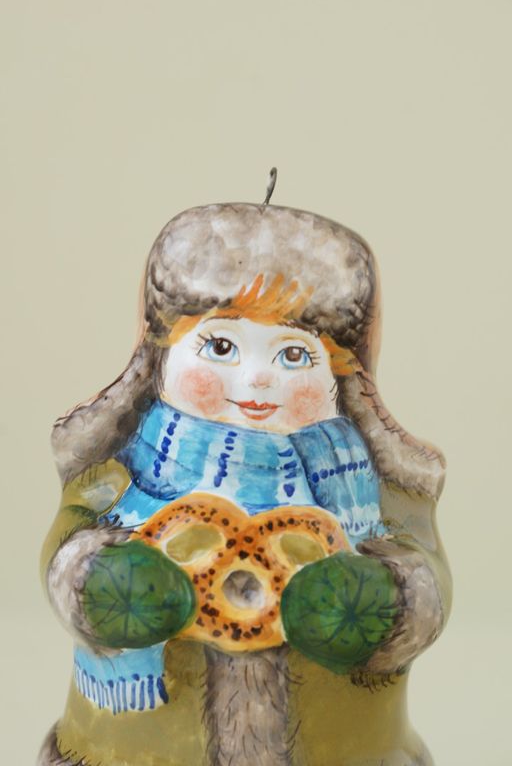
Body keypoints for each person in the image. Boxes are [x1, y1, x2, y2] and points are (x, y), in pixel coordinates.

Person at [38, 204, 451, 766]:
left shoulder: (365, 488)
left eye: (294, 355)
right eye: (221, 347)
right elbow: (66, 544)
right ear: (161, 355)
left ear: (339, 377)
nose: (257, 379)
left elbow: (426, 573)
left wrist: (388, 602)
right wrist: (94, 579)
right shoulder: (119, 471)